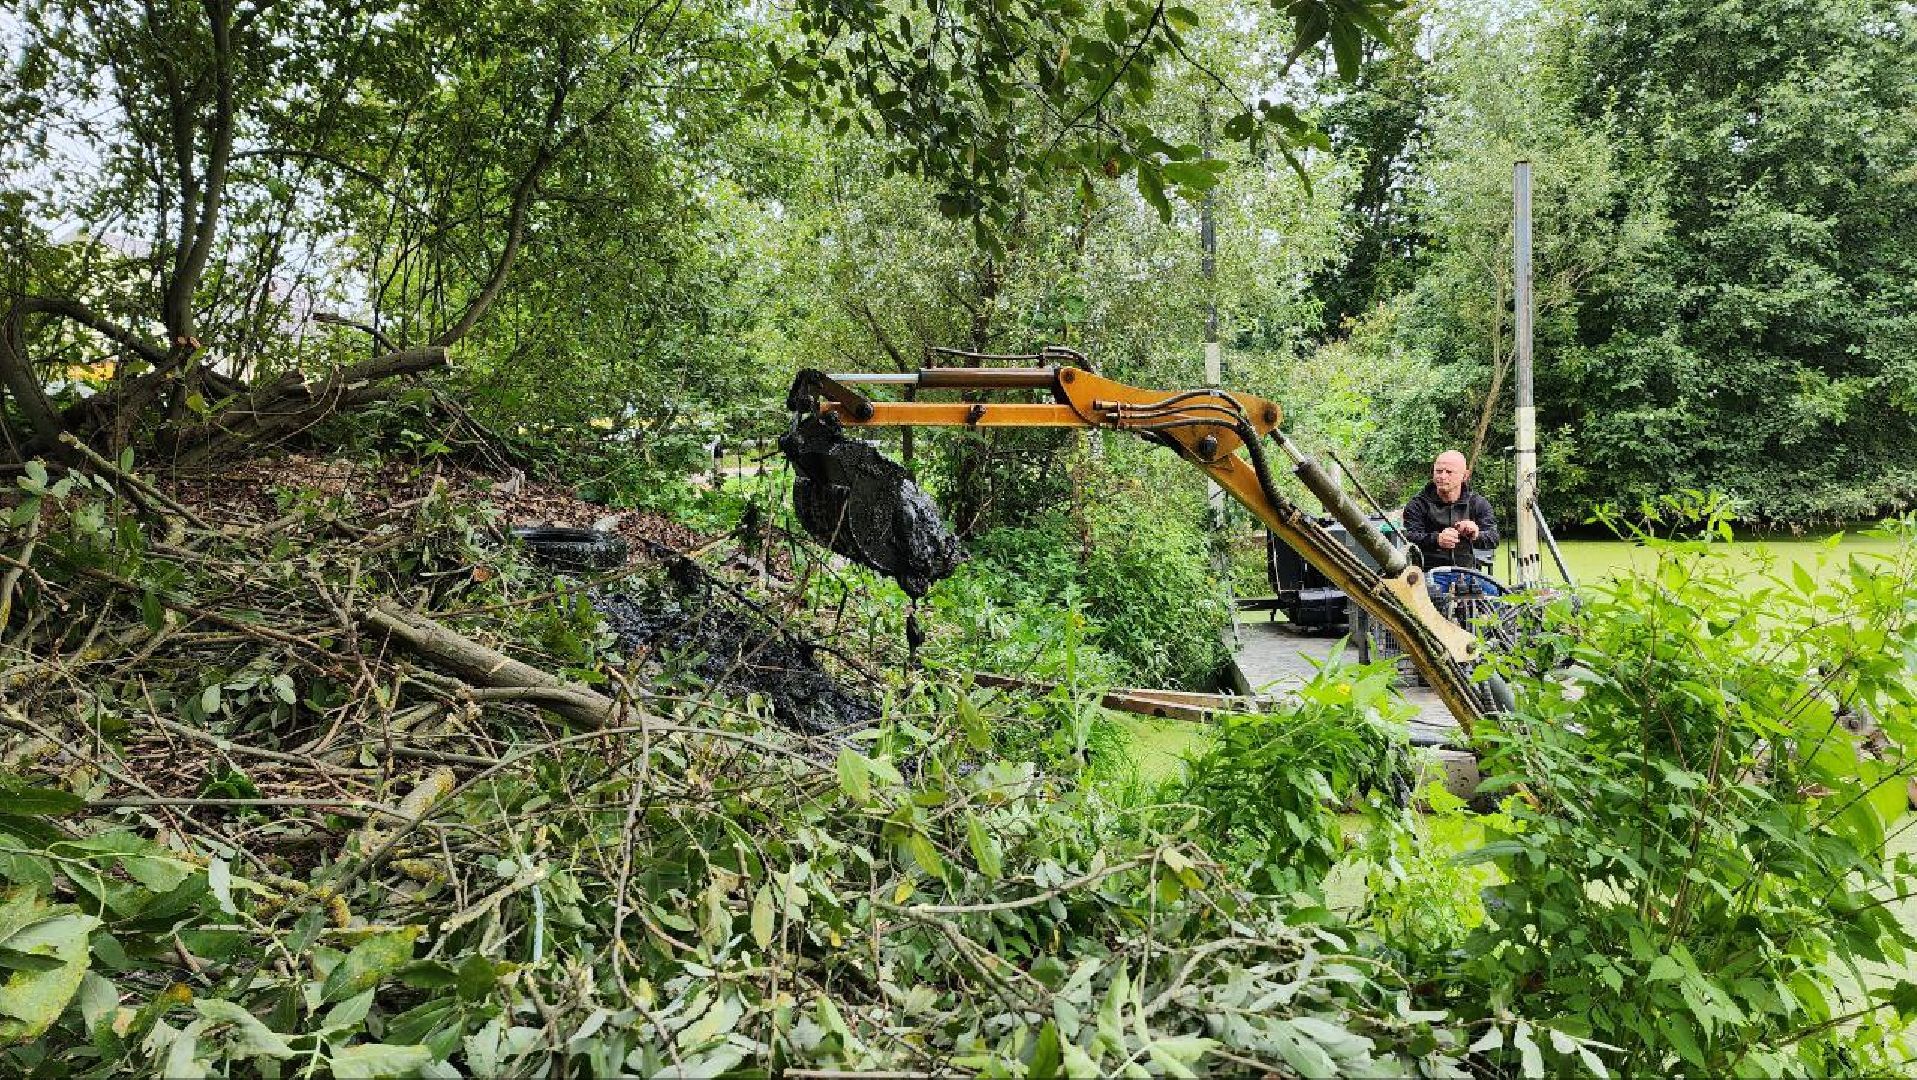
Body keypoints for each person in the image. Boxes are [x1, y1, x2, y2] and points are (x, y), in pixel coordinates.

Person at [1402, 450, 1498, 568]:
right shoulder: (1418, 504)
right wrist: (1437, 539)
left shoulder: (1478, 503)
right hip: (1426, 574)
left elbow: (1493, 538)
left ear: (1465, 476)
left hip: (1467, 572)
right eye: (1438, 471)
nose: (1442, 476)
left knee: (1494, 587)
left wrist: (1476, 534)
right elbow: (1408, 538)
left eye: (1449, 472)